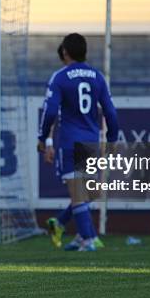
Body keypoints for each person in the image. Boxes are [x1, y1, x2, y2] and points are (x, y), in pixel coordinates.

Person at [38, 33, 119, 252]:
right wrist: (112, 140)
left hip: (69, 142)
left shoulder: (60, 77)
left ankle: (74, 230)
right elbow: (111, 112)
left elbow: (50, 111)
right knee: (85, 193)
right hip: (91, 142)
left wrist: (43, 138)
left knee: (86, 193)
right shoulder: (98, 76)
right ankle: (86, 237)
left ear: (65, 51)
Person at [45, 44, 104, 250]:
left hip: (87, 141)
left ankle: (62, 224)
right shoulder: (89, 77)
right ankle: (87, 237)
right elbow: (52, 114)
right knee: (81, 193)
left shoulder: (70, 78)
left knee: (92, 191)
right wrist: (49, 141)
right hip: (74, 140)